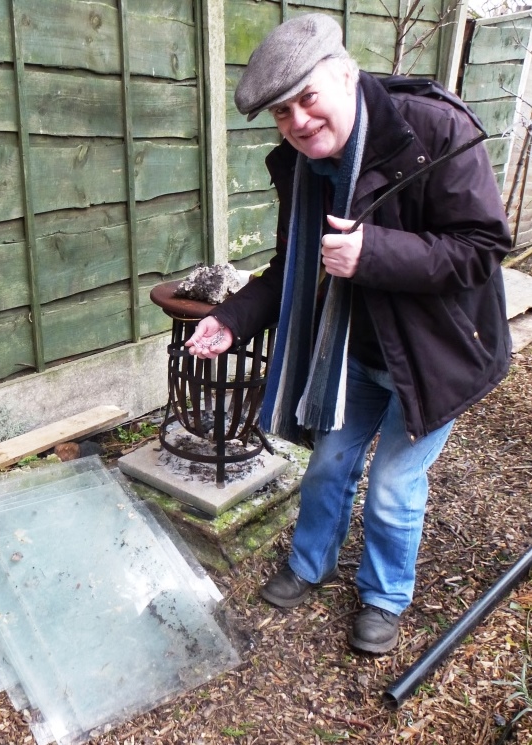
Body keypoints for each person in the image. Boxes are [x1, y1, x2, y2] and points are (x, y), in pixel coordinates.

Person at [185, 14, 511, 653]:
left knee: (391, 488)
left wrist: (373, 254)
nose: (298, 121)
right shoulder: (301, 166)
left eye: (307, 98)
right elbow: (294, 266)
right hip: (356, 353)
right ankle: (310, 565)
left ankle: (384, 597)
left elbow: (480, 248)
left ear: (345, 76)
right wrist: (231, 319)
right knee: (327, 466)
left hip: (436, 354)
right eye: (282, 112)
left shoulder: (435, 130)